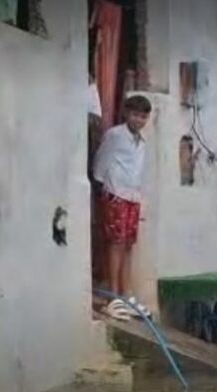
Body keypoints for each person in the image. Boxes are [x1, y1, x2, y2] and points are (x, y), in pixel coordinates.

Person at [92, 94, 152, 320]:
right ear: (126, 113)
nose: (139, 120)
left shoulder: (141, 141)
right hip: (115, 193)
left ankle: (126, 294)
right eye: (135, 115)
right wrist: (105, 190)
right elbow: (100, 164)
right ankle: (114, 295)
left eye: (143, 117)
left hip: (133, 196)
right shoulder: (115, 136)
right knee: (115, 243)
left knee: (128, 244)